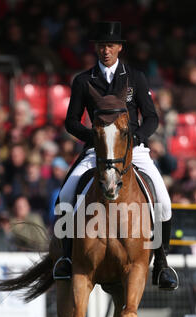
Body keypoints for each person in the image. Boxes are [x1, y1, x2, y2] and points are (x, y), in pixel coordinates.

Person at [53, 21, 178, 290]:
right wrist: (96, 139)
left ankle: (162, 263)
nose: (105, 50)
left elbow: (152, 117)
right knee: (65, 195)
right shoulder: (84, 81)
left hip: (133, 150)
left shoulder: (135, 77)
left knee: (164, 202)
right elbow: (71, 121)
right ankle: (66, 258)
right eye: (101, 45)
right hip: (97, 150)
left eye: (110, 45)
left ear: (119, 47)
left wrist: (135, 139)